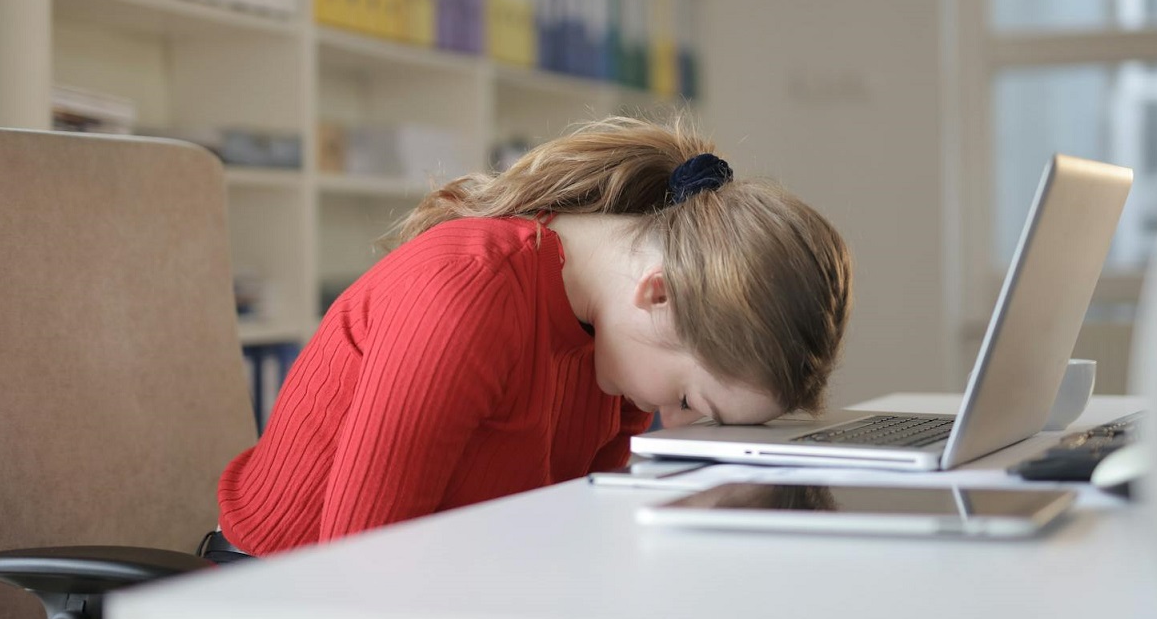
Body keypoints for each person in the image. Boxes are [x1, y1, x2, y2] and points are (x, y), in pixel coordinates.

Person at [213, 114, 853, 556]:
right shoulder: (467, 292)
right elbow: (360, 571)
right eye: (691, 403)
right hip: (275, 601)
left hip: (450, 587)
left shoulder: (617, 344)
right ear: (658, 294)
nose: (676, 425)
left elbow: (572, 530)